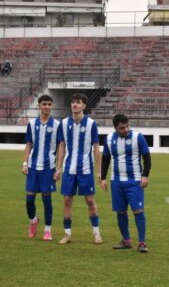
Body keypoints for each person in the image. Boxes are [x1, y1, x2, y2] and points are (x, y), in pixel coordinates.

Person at [54, 93, 102, 245]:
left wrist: (99, 171)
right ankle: (67, 234)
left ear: (84, 106)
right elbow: (61, 145)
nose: (75, 104)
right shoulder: (64, 123)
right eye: (73, 102)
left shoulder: (91, 124)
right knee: (67, 200)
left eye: (78, 102)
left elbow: (96, 148)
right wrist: (58, 167)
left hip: (86, 169)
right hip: (69, 169)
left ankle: (96, 233)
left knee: (89, 200)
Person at [100, 114, 151, 253]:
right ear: (115, 128)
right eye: (122, 128)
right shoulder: (109, 139)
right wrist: (103, 178)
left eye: (127, 126)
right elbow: (105, 159)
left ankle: (142, 242)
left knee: (138, 211)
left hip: (134, 181)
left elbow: (147, 157)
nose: (126, 129)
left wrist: (145, 175)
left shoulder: (138, 137)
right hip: (116, 181)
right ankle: (126, 240)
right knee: (120, 211)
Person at [22, 94, 60, 240]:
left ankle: (48, 230)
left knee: (46, 200)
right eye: (44, 104)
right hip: (32, 166)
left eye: (49, 104)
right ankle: (33, 221)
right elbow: (28, 144)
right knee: (29, 200)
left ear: (52, 106)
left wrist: (58, 167)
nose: (47, 107)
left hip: (48, 167)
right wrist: (25, 163)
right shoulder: (32, 124)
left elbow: (60, 145)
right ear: (39, 106)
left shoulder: (57, 125)